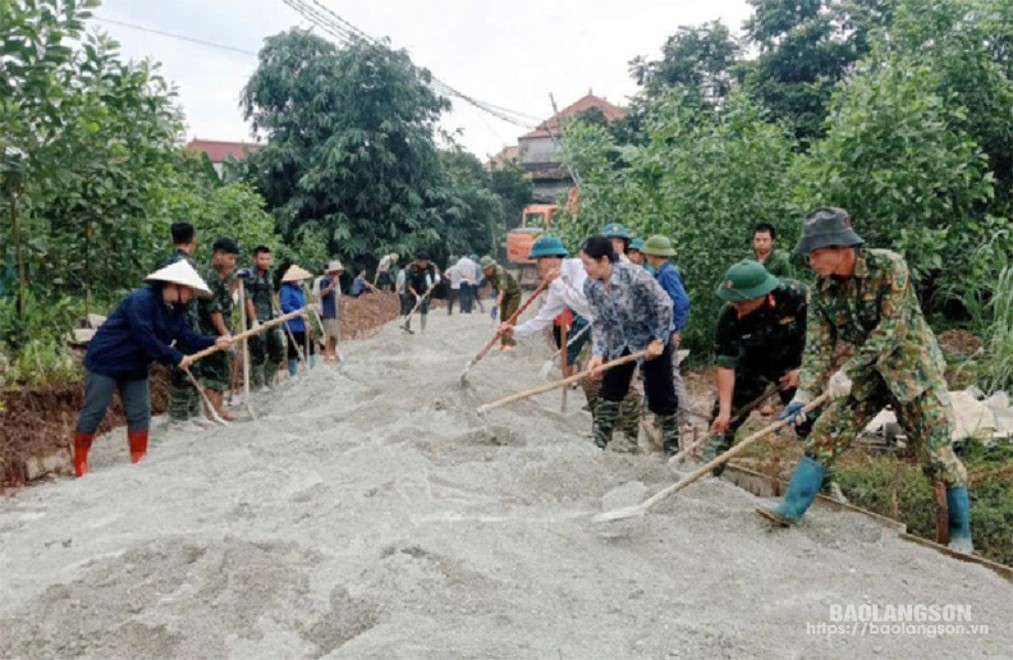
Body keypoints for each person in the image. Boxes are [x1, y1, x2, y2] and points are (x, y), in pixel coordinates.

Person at [758, 208, 973, 553]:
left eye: (815, 253)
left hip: (912, 370)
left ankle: (962, 536)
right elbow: (817, 348)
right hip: (867, 375)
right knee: (826, 429)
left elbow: (891, 331)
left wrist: (849, 371)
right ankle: (791, 508)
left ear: (841, 248)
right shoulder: (823, 291)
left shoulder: (890, 267)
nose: (810, 262)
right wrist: (803, 393)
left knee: (936, 452)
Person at [73, 261, 231, 476]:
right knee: (95, 409)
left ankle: (139, 457)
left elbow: (187, 337)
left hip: (136, 364)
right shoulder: (141, 301)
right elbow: (145, 338)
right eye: (189, 291)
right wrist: (176, 357)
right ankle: (80, 461)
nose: (191, 296)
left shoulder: (176, 311)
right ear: (175, 286)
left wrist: (214, 342)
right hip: (106, 359)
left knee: (140, 412)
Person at [705, 260, 811, 474]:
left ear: (760, 294)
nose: (738, 309)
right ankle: (709, 470)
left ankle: (822, 478)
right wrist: (725, 411)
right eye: (733, 302)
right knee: (725, 418)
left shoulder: (796, 296)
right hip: (754, 363)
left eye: (742, 303)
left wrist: (804, 370)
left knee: (810, 420)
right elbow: (726, 364)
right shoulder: (729, 315)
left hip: (796, 364)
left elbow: (825, 336)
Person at [580, 235, 681, 454]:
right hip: (620, 341)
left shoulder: (634, 275)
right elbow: (599, 322)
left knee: (661, 395)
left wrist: (659, 340)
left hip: (650, 339)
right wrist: (598, 354)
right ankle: (599, 444)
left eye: (588, 263)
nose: (585, 269)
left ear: (604, 260)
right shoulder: (591, 287)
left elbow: (664, 304)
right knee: (610, 390)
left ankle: (672, 450)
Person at [641, 235, 693, 432]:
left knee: (670, 372)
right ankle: (662, 414)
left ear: (653, 255)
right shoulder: (660, 273)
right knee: (659, 373)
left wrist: (674, 329)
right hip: (660, 330)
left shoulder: (668, 273)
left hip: (666, 331)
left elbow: (681, 302)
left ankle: (683, 417)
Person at [152, 222, 202, 421]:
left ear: (172, 240)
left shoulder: (161, 263)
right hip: (188, 323)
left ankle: (181, 416)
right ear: (194, 241)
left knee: (178, 365)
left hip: (166, 322)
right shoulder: (191, 266)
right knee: (192, 366)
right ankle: (188, 415)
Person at [197, 238, 240, 422]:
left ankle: (219, 408)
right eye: (230, 258)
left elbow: (225, 303)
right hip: (210, 332)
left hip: (222, 329)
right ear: (218, 256)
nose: (233, 263)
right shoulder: (211, 276)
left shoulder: (222, 278)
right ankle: (211, 411)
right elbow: (213, 309)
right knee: (212, 372)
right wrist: (224, 334)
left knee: (222, 369)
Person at [241, 246, 284, 390]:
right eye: (262, 259)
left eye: (267, 259)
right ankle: (259, 385)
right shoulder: (250, 275)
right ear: (255, 259)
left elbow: (271, 296)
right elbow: (248, 299)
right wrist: (253, 321)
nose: (265, 262)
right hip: (257, 318)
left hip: (270, 318)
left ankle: (268, 379)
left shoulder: (268, 275)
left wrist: (277, 312)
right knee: (258, 351)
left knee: (278, 347)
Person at [280, 264, 316, 379]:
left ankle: (312, 368)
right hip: (292, 324)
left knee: (309, 344)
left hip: (302, 323)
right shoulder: (286, 290)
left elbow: (303, 305)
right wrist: (298, 312)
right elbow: (285, 306)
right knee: (293, 348)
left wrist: (306, 315)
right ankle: (293, 373)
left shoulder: (300, 290)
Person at [480, 256, 521, 349]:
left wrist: (496, 306)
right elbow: (492, 286)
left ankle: (510, 342)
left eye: (488, 269)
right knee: (502, 318)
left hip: (513, 294)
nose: (486, 271)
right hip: (503, 295)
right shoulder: (487, 274)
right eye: (484, 270)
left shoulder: (499, 271)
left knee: (510, 317)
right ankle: (504, 342)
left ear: (492, 266)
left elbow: (502, 291)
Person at [405, 251, 440, 332]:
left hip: (424, 289)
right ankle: (407, 327)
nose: (426, 264)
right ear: (418, 261)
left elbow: (435, 268)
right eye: (424, 263)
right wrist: (416, 296)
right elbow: (409, 286)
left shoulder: (430, 265)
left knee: (424, 309)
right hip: (411, 290)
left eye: (427, 262)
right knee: (408, 309)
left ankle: (423, 330)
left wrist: (437, 276)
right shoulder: (409, 269)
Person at [320, 260, 343, 361]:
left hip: (335, 311)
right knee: (328, 334)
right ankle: (327, 354)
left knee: (335, 334)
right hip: (328, 311)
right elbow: (322, 294)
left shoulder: (336, 282)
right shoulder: (325, 281)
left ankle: (333, 353)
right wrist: (331, 285)